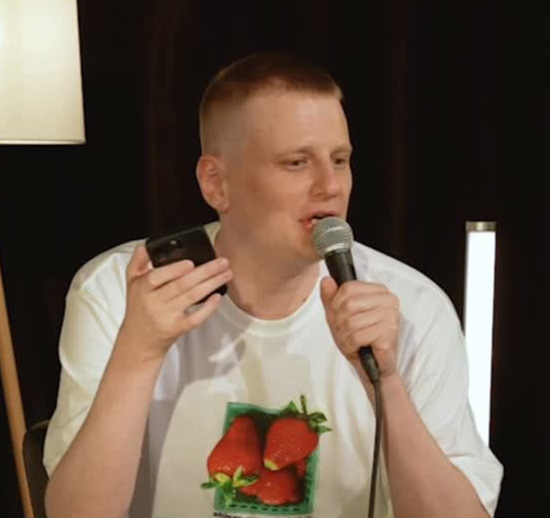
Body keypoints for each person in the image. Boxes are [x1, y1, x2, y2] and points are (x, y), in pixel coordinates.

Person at [43, 52, 503, 518]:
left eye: (340, 160)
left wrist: (385, 382)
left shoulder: (411, 305)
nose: (331, 186)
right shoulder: (119, 290)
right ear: (215, 183)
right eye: (296, 162)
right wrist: (138, 353)